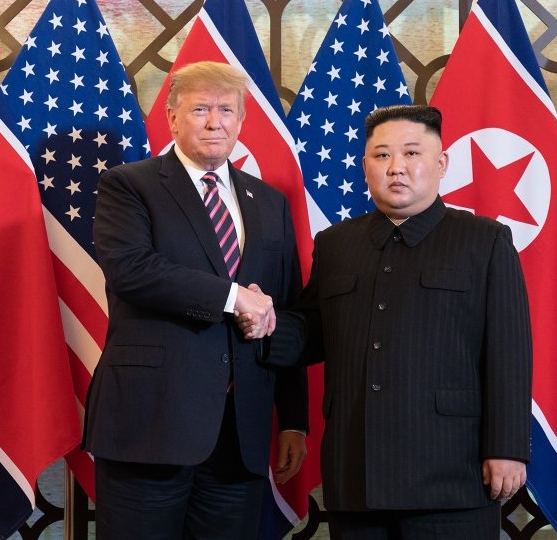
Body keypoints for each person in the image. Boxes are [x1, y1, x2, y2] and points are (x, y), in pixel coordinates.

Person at [271, 104, 531, 539]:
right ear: (365, 166)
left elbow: (509, 351)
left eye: (412, 154)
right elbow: (310, 336)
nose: (397, 168)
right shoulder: (336, 244)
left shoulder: (483, 240)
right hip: (357, 471)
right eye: (382, 155)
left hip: (452, 472)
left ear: (441, 163)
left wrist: (506, 448)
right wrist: (255, 321)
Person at [82, 60, 307, 539]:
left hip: (239, 437)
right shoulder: (130, 184)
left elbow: (284, 313)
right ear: (172, 117)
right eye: (200, 108)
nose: (214, 121)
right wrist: (233, 299)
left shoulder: (270, 202)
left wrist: (294, 421)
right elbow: (133, 272)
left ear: (242, 120)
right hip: (151, 425)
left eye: (226, 109)